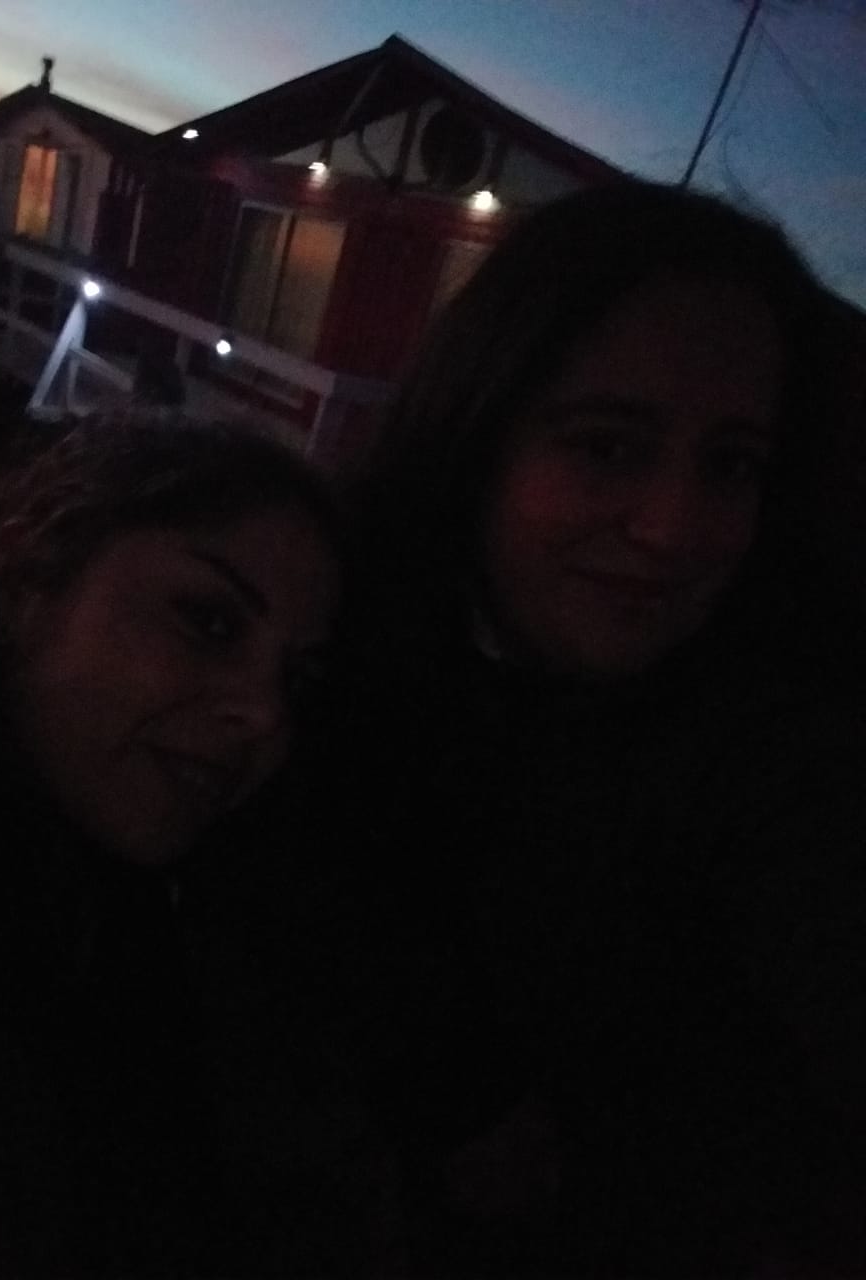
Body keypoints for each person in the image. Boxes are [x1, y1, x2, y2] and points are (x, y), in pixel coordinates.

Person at [338, 181, 866, 1277]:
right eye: (607, 447)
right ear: (480, 427)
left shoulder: (781, 745)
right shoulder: (300, 668)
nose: (675, 528)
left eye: (732, 465)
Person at [0, 411, 358, 1276]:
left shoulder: (140, 915)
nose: (264, 714)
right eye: (209, 623)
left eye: (296, 677)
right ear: (28, 572)